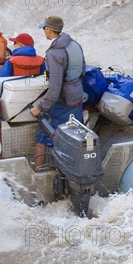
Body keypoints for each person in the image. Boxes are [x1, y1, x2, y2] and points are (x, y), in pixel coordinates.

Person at [30, 16, 86, 167]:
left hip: (62, 103)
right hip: (77, 98)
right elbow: (83, 70)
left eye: (44, 29)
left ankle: (39, 173)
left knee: (42, 138)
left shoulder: (55, 53)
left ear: (49, 30)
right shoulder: (75, 45)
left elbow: (55, 88)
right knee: (74, 137)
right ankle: (73, 169)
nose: (43, 32)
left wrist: (40, 108)